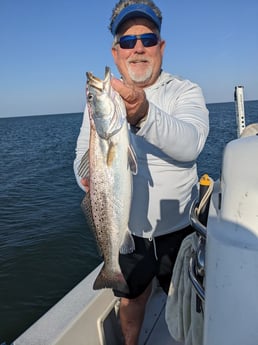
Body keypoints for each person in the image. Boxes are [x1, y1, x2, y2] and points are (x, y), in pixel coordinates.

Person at [74, 0, 209, 344]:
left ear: (161, 46)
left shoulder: (185, 91)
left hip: (180, 231)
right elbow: (81, 160)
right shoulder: (102, 101)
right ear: (115, 52)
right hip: (127, 233)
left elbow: (191, 143)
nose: (137, 49)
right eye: (127, 41)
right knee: (131, 299)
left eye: (147, 39)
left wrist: (144, 113)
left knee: (188, 304)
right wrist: (86, 177)